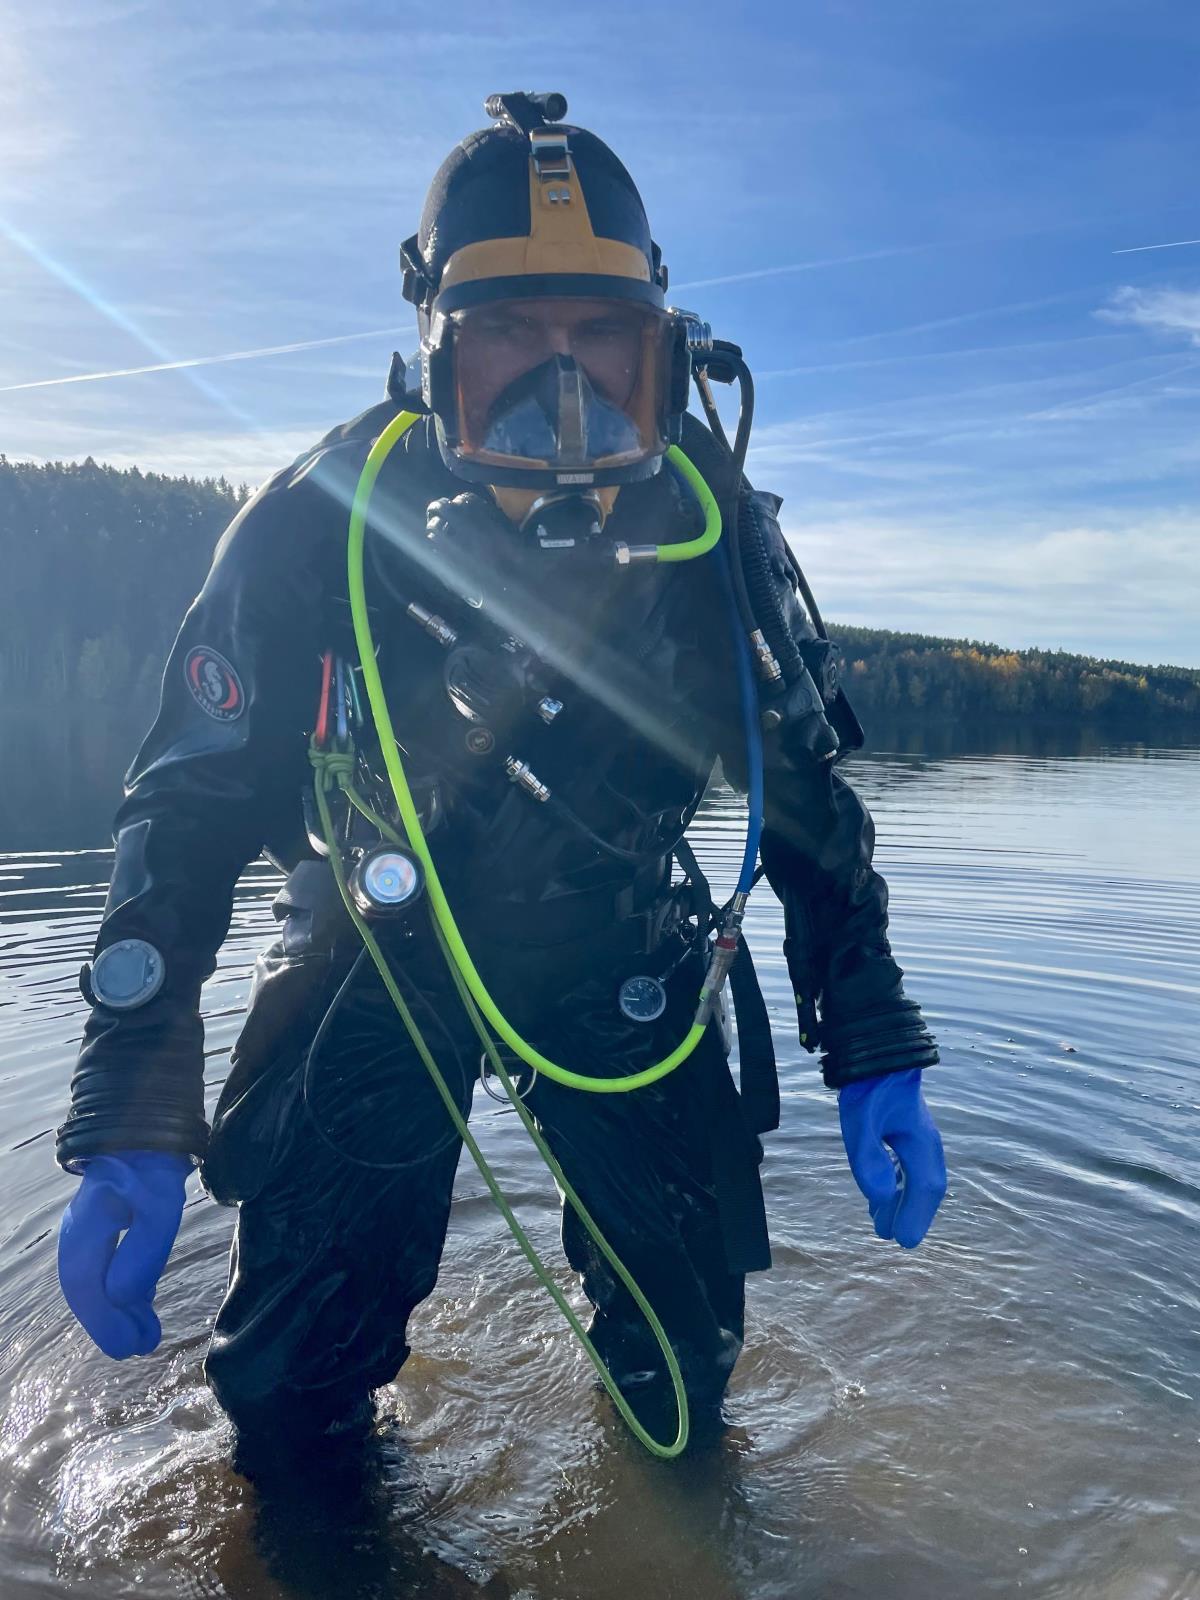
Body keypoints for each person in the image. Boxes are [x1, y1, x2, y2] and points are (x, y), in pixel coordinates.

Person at [55, 92, 946, 1461]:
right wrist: (130, 1098)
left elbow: (813, 807)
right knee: (292, 1396)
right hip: (369, 946)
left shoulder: (704, 528)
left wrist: (874, 1043)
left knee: (686, 1366)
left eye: (603, 342)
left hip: (619, 942)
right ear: (430, 351)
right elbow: (184, 810)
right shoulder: (315, 523)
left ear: (666, 348)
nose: (565, 392)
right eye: (512, 343)